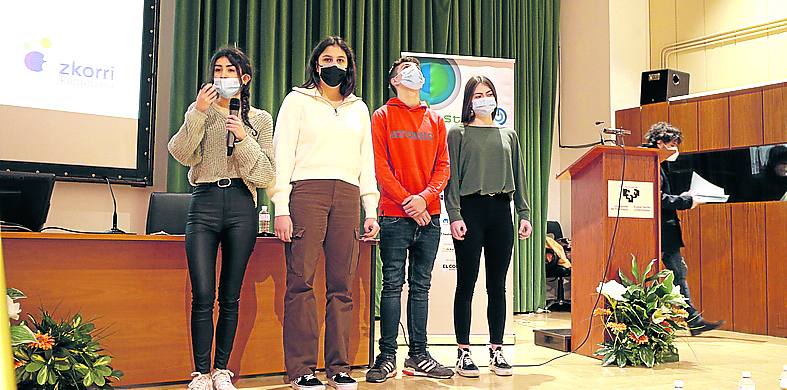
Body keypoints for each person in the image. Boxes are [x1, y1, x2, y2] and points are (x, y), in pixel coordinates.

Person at [268, 36, 380, 390]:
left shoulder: (359, 109)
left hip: (348, 195)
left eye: (342, 60)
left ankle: (339, 367)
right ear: (316, 64)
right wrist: (281, 207)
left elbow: (367, 162)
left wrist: (370, 208)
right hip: (306, 193)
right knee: (301, 282)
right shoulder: (296, 101)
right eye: (328, 58)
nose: (335, 65)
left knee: (342, 285)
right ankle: (301, 369)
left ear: (349, 67)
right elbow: (281, 155)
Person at [168, 47, 275, 390]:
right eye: (218, 70)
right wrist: (198, 113)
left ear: (244, 79)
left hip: (242, 206)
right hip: (204, 202)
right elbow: (180, 153)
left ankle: (221, 370)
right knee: (202, 293)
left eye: (231, 70)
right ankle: (199, 372)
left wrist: (243, 138)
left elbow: (264, 174)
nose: (224, 75)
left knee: (231, 294)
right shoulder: (199, 112)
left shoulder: (259, 119)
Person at [365, 56, 453, 383]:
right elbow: (380, 167)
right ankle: (386, 355)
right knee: (391, 286)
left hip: (428, 217)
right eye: (406, 68)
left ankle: (418, 355)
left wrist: (424, 199)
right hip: (394, 216)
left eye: (416, 67)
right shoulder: (383, 116)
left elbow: (443, 167)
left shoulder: (436, 120)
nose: (413, 72)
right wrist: (407, 200)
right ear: (394, 80)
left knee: (421, 288)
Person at [445, 76, 533, 378]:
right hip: (470, 210)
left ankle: (497, 350)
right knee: (466, 284)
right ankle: (463, 352)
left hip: (500, 211)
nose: (484, 99)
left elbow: (519, 176)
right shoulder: (457, 133)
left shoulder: (508, 134)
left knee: (497, 285)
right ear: (469, 100)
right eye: (478, 94)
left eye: (489, 93)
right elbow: (451, 178)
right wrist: (454, 214)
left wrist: (524, 211)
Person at [644, 122, 725, 336]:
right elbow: (657, 198)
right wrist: (686, 201)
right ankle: (691, 320)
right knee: (675, 274)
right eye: (672, 144)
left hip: (663, 231)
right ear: (659, 143)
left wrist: (685, 197)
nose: (675, 150)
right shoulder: (648, 163)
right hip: (657, 230)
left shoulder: (657, 164)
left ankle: (693, 320)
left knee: (678, 273)